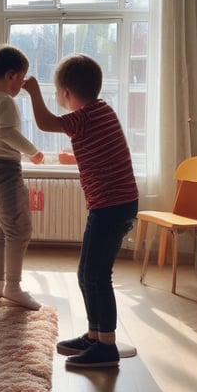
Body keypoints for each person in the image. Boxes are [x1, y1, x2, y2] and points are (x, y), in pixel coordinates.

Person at [23, 53, 138, 369]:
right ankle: (94, 335)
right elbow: (101, 153)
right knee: (88, 273)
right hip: (116, 203)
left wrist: (33, 91)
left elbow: (46, 123)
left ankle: (106, 347)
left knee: (97, 275)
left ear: (65, 94)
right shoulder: (103, 112)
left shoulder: (84, 116)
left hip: (110, 207)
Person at [0, 44, 45, 310]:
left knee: (4, 229)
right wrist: (33, 152)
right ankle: (13, 287)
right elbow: (6, 133)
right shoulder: (6, 101)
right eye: (21, 78)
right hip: (4, 169)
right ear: (10, 76)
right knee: (20, 230)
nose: (22, 85)